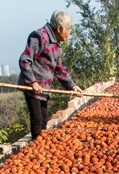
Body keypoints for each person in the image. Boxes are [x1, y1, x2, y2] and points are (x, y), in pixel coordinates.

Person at [17, 10, 82, 139]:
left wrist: (72, 86)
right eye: (68, 29)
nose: (69, 33)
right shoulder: (39, 36)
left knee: (43, 120)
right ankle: (36, 146)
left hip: (44, 88)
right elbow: (25, 60)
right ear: (59, 28)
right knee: (37, 120)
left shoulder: (56, 45)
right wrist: (33, 82)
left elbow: (59, 69)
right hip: (32, 87)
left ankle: (40, 143)